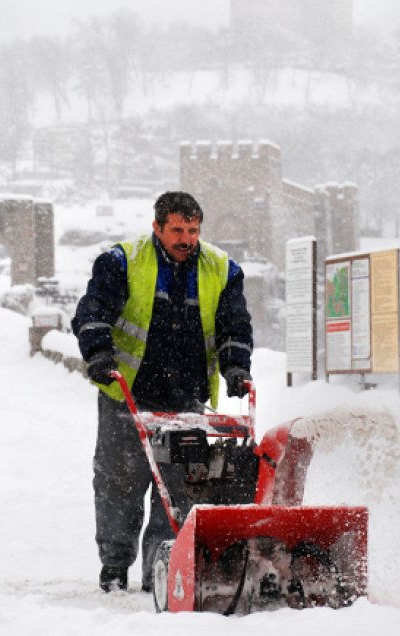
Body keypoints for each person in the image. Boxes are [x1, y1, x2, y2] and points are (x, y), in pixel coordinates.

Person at [71, 191, 253, 593]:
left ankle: (162, 567)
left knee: (179, 487)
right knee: (120, 482)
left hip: (186, 397)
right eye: (177, 230)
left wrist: (236, 366)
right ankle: (115, 565)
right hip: (128, 392)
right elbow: (93, 311)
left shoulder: (222, 269)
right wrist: (99, 354)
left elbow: (234, 324)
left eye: (193, 230)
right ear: (157, 227)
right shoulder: (122, 262)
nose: (186, 239)